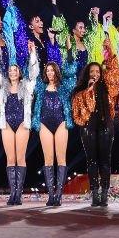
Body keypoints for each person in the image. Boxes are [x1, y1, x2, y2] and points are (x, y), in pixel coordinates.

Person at [71, 39, 119, 207]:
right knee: (91, 160)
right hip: (88, 128)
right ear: (87, 74)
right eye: (92, 71)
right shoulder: (80, 92)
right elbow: (80, 113)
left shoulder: (108, 88)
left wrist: (110, 51)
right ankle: (95, 192)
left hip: (105, 126)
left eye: (97, 71)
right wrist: (89, 91)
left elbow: (115, 72)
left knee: (105, 160)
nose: (95, 74)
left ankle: (105, 192)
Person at [0, 39, 39, 205]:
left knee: (20, 157)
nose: (12, 72)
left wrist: (32, 53)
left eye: (15, 69)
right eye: (10, 70)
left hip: (22, 123)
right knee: (10, 159)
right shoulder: (1, 86)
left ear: (19, 72)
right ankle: (13, 193)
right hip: (6, 124)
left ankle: (19, 193)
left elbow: (34, 73)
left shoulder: (27, 86)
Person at [32, 57, 76, 206]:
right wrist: (33, 54)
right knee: (48, 159)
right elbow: (32, 71)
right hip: (44, 123)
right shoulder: (40, 86)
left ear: (56, 71)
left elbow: (72, 72)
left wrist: (69, 53)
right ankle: (51, 195)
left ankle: (59, 195)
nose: (50, 73)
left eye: (52, 70)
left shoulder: (64, 86)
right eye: (48, 70)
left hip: (61, 122)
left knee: (61, 158)